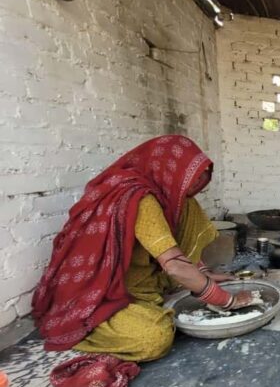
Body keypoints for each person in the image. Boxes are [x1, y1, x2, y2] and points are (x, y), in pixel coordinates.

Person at [32, 135, 256, 362]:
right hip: (104, 294)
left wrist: (203, 274)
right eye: (191, 181)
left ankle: (189, 282)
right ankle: (97, 331)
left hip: (147, 281)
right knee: (155, 337)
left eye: (201, 182)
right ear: (170, 171)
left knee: (188, 206)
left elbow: (179, 249)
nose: (196, 188)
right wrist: (228, 300)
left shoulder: (173, 198)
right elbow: (175, 267)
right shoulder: (140, 199)